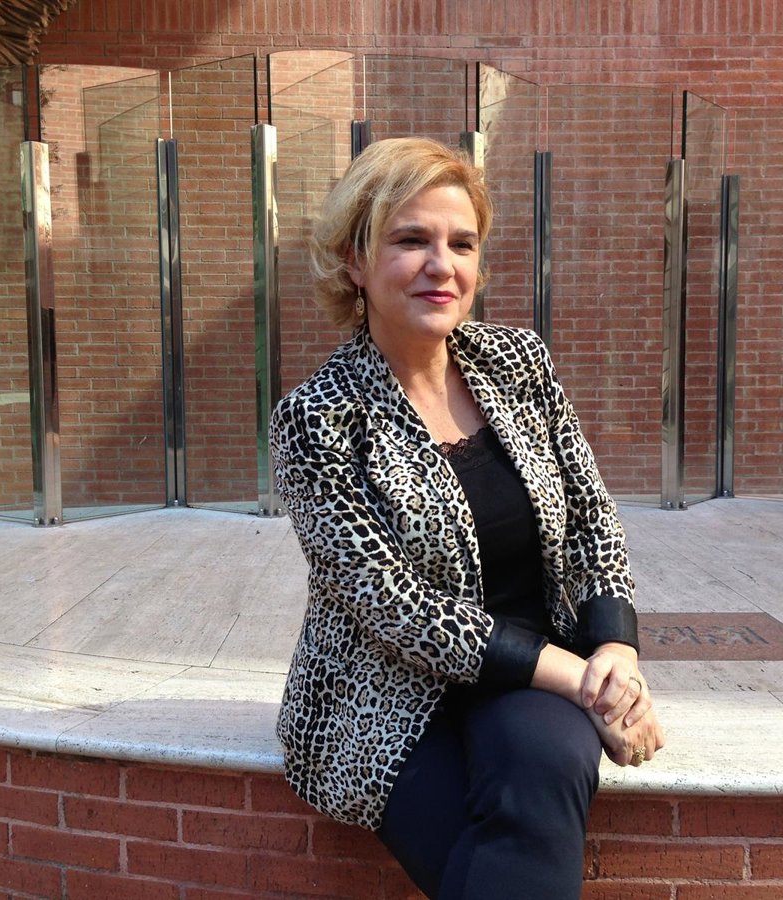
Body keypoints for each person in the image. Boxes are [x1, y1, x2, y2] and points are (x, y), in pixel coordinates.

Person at [270, 136, 665, 899]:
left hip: (526, 676)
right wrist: (584, 681)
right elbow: (392, 605)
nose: (441, 265)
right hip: (384, 690)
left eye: (461, 243)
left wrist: (616, 647)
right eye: (410, 240)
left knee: (548, 766)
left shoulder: (519, 364)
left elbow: (591, 515)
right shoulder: (318, 418)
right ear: (355, 262)